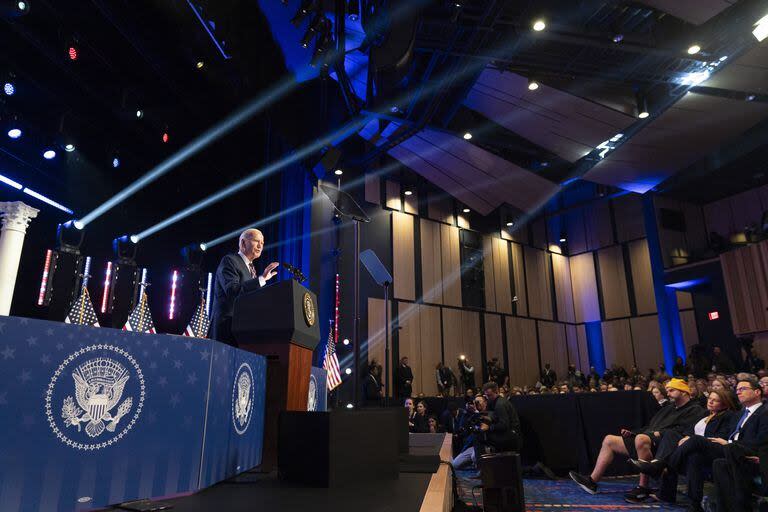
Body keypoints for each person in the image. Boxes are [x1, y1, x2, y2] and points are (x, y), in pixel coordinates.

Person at [569, 378, 704, 501]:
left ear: (684, 392)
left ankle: (643, 488)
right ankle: (592, 481)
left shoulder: (695, 409)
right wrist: (633, 433)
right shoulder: (668, 409)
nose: (667, 393)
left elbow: (685, 431)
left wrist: (658, 433)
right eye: (667, 390)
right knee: (609, 440)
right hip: (648, 439)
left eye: (671, 390)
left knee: (640, 439)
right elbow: (651, 427)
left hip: (667, 445)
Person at [629, 389, 738, 509]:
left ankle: (660, 467)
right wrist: (686, 437)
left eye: (715, 400)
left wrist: (691, 438)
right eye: (710, 398)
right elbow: (689, 430)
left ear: (724, 404)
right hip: (694, 448)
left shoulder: (728, 416)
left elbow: (721, 437)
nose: (710, 402)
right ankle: (661, 469)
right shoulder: (705, 414)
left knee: (695, 441)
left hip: (713, 448)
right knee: (672, 435)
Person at [210, 228, 279, 346]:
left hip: (243, 331)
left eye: (262, 243)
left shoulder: (251, 269)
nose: (260, 246)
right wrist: (261, 279)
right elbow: (233, 291)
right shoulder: (230, 261)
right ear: (243, 243)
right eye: (256, 241)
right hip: (226, 330)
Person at [712, 377, 768, 512]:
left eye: (742, 389)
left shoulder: (765, 412)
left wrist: (730, 444)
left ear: (757, 392)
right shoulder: (739, 414)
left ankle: (742, 506)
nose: (738, 392)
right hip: (736, 453)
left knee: (730, 447)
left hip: (755, 454)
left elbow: (763, 440)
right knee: (719, 464)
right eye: (737, 390)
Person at [476, 381, 521, 455]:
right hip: (508, 434)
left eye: (489, 395)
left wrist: (489, 427)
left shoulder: (500, 404)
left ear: (497, 392)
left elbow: (504, 425)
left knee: (482, 438)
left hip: (511, 437)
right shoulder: (495, 401)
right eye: (486, 396)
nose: (487, 398)